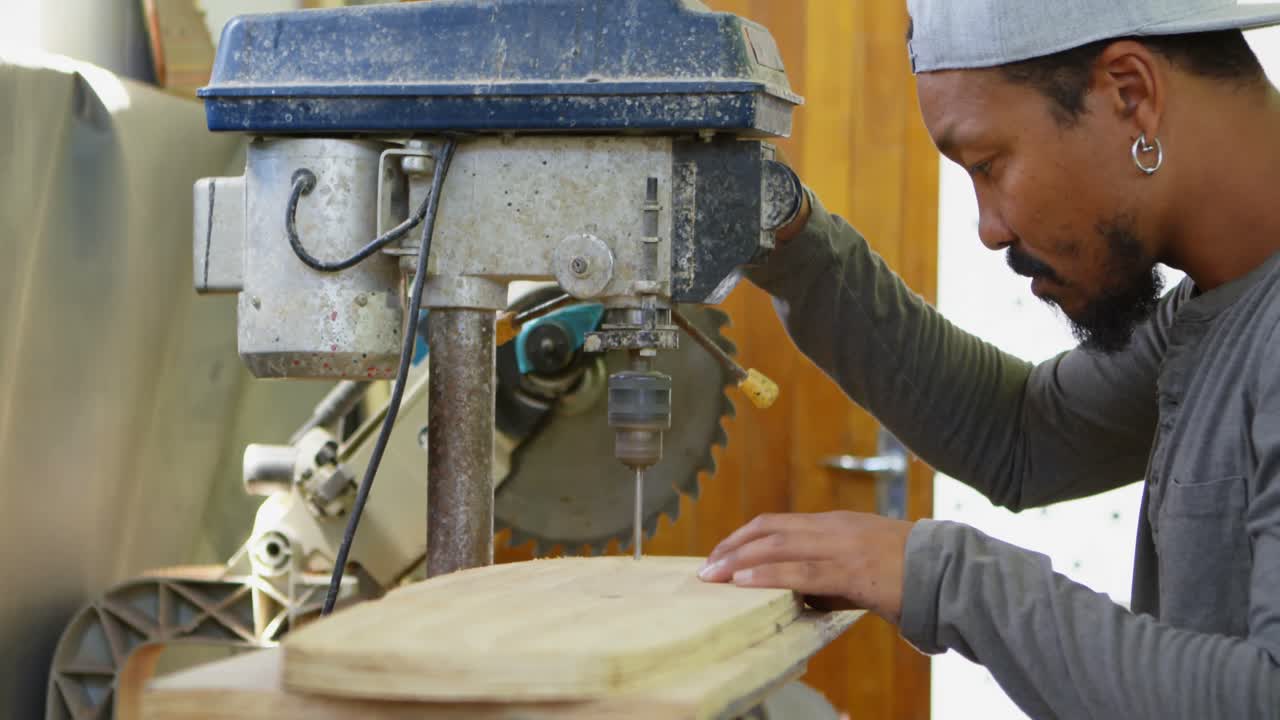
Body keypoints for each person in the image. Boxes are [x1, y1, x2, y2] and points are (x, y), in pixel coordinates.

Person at [698, 1, 1280, 716]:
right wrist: (787, 233)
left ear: (1131, 93)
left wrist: (942, 577)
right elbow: (1024, 434)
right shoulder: (1219, 303)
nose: (990, 229)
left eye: (989, 163)